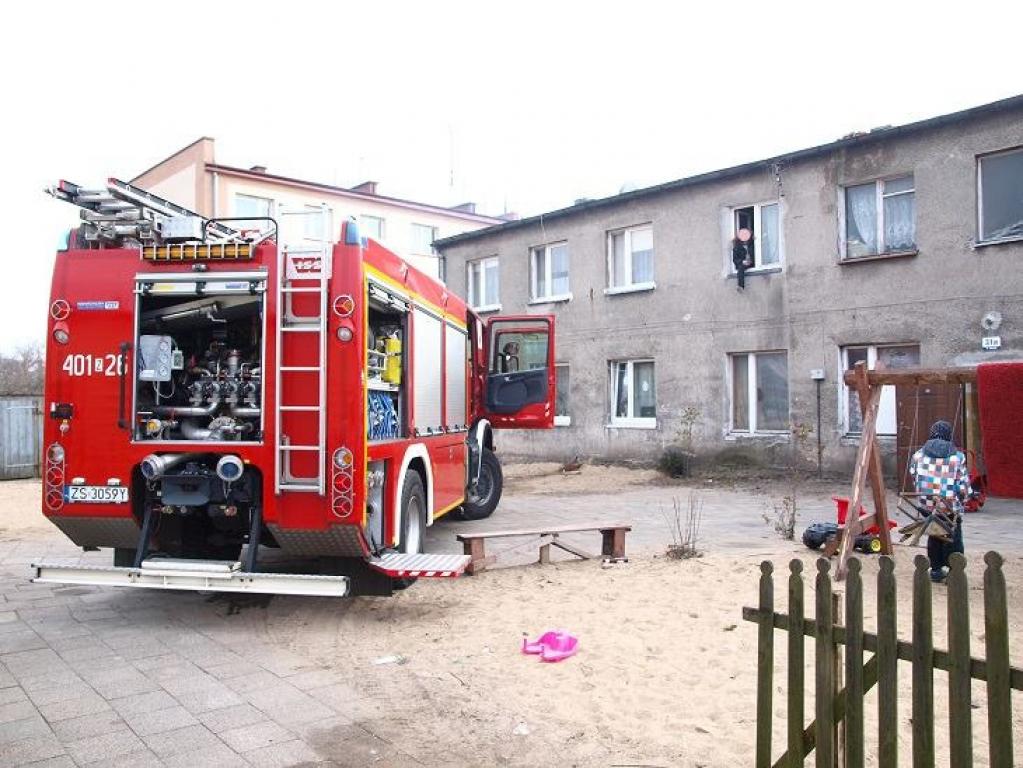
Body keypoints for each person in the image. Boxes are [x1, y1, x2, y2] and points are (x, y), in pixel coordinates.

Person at [909, 420, 972, 582]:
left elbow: (913, 476)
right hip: (949, 507)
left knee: (935, 533)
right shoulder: (957, 458)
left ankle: (936, 569)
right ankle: (954, 570)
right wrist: (965, 497)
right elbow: (963, 486)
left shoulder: (918, 456)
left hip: (926, 506)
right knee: (953, 535)